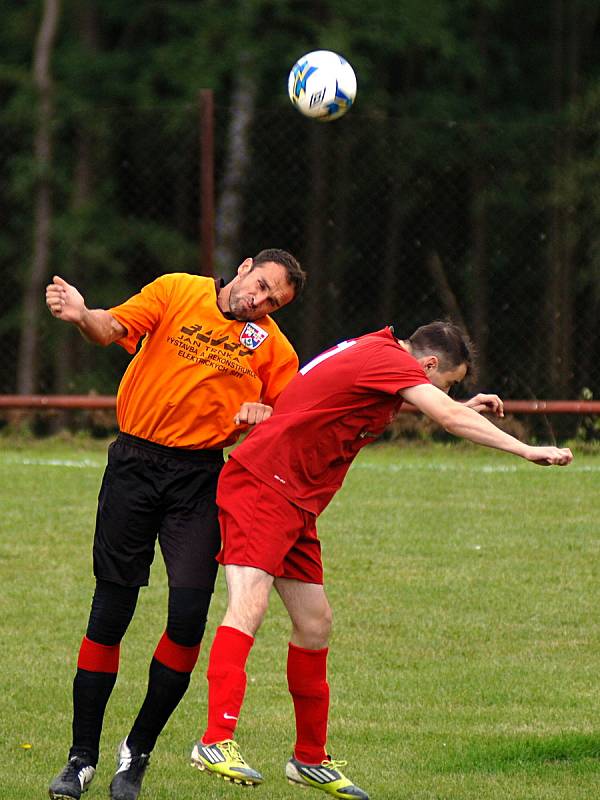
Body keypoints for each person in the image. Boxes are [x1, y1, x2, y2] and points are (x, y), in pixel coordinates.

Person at [189, 321, 573, 799]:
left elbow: (373, 401)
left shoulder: (382, 353)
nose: (441, 393)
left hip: (295, 496)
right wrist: (525, 449)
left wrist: (457, 403)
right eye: (446, 384)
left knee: (315, 623)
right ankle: (215, 740)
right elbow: (446, 419)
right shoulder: (388, 360)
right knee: (249, 605)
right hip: (263, 485)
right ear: (428, 364)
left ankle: (309, 759)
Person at [45, 249, 307, 800]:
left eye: (272, 301)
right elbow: (110, 326)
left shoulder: (273, 348)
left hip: (199, 480)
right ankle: (81, 757)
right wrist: (81, 313)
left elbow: (299, 419)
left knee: (187, 620)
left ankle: (135, 757)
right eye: (259, 285)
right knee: (110, 612)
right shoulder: (176, 290)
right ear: (243, 267)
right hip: (134, 467)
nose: (258, 301)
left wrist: (267, 417)